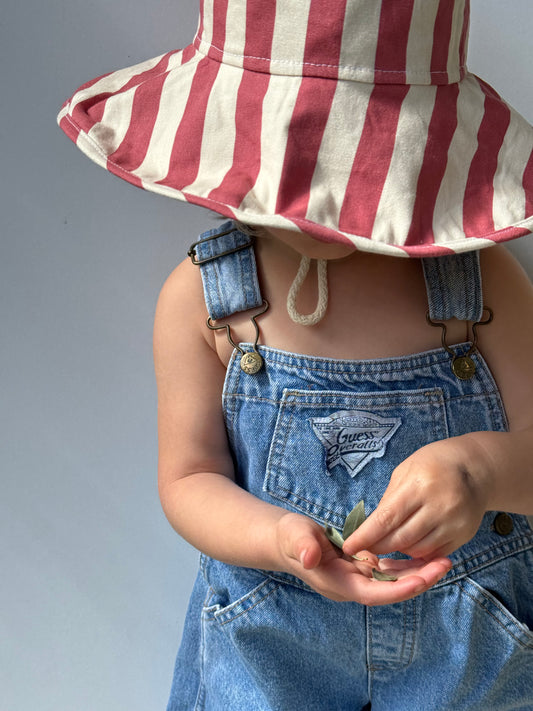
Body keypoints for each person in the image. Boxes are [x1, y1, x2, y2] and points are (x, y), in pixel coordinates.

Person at [58, 1, 533, 708]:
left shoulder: (480, 282)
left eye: (349, 162)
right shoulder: (206, 299)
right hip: (268, 646)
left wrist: (478, 471)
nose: (318, 197)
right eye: (294, 156)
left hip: (468, 647)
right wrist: (276, 537)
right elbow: (188, 477)